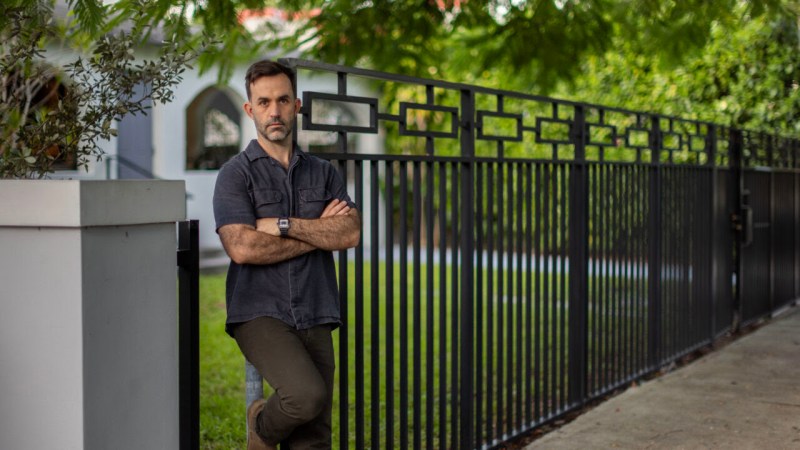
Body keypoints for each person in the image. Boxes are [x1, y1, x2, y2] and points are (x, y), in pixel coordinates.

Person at [213, 59, 360, 450]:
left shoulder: (323, 172)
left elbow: (349, 231)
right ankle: (261, 427)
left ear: (296, 105)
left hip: (316, 305)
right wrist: (318, 233)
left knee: (314, 436)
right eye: (263, 102)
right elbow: (242, 247)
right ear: (250, 110)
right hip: (259, 311)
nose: (273, 111)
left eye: (282, 100)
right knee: (305, 395)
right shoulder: (235, 174)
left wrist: (280, 224)